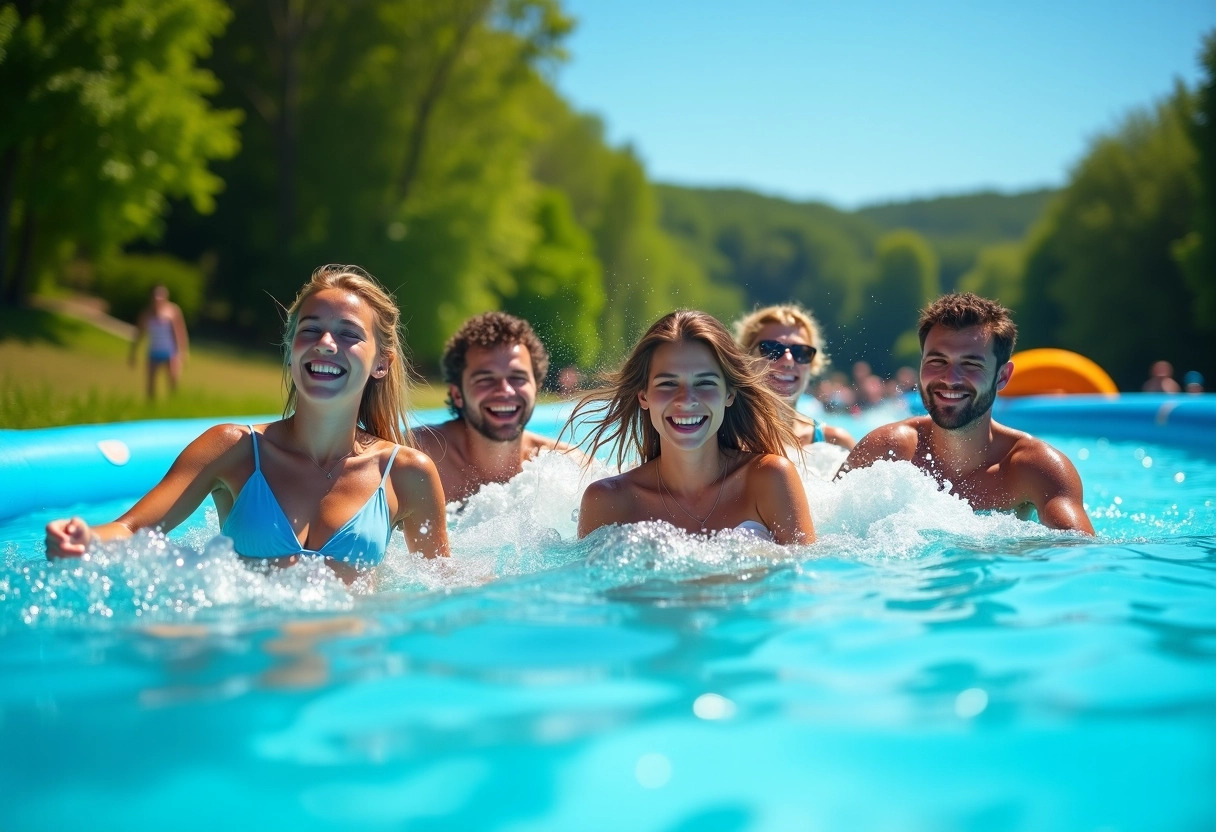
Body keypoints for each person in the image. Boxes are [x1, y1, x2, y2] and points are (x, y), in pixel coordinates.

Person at [46, 265, 450, 579]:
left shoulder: (406, 474)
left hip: (350, 670)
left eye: (348, 334)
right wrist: (85, 538)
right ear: (291, 349)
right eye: (311, 330)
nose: (326, 344)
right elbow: (132, 528)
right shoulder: (232, 449)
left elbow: (441, 590)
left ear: (382, 362)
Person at [839, 292, 1095, 535]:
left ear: (1002, 376)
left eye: (971, 364)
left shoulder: (1033, 468)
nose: (950, 379)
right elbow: (825, 531)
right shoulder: (886, 450)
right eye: (937, 361)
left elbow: (1077, 556)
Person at [573, 309, 816, 545]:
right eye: (667, 383)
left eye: (704, 383)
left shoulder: (770, 478)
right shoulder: (608, 501)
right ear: (643, 396)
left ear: (729, 394)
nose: (686, 400)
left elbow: (803, 580)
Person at [415, 311, 572, 503]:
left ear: (536, 389)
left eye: (518, 378)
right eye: (486, 379)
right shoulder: (413, 458)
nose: (505, 390)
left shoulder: (567, 469)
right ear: (458, 395)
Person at [732, 304, 855, 449]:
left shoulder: (835, 443)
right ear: (745, 358)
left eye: (801, 352)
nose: (788, 361)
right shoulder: (725, 441)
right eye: (772, 349)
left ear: (812, 365)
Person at [130, 285, 189, 399]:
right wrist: (133, 352)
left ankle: (173, 405)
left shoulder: (172, 311)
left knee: (173, 381)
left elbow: (180, 332)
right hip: (154, 352)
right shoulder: (146, 314)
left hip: (170, 352)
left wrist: (183, 351)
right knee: (150, 385)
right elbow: (139, 334)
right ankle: (151, 410)